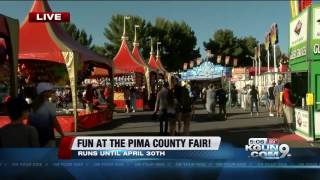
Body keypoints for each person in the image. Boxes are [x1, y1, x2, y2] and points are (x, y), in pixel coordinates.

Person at [29, 82, 64, 147]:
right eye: (49, 91)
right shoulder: (49, 106)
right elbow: (55, 123)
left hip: (35, 138)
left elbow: (29, 123)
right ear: (44, 93)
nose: (51, 92)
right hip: (48, 138)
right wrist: (62, 134)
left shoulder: (32, 106)